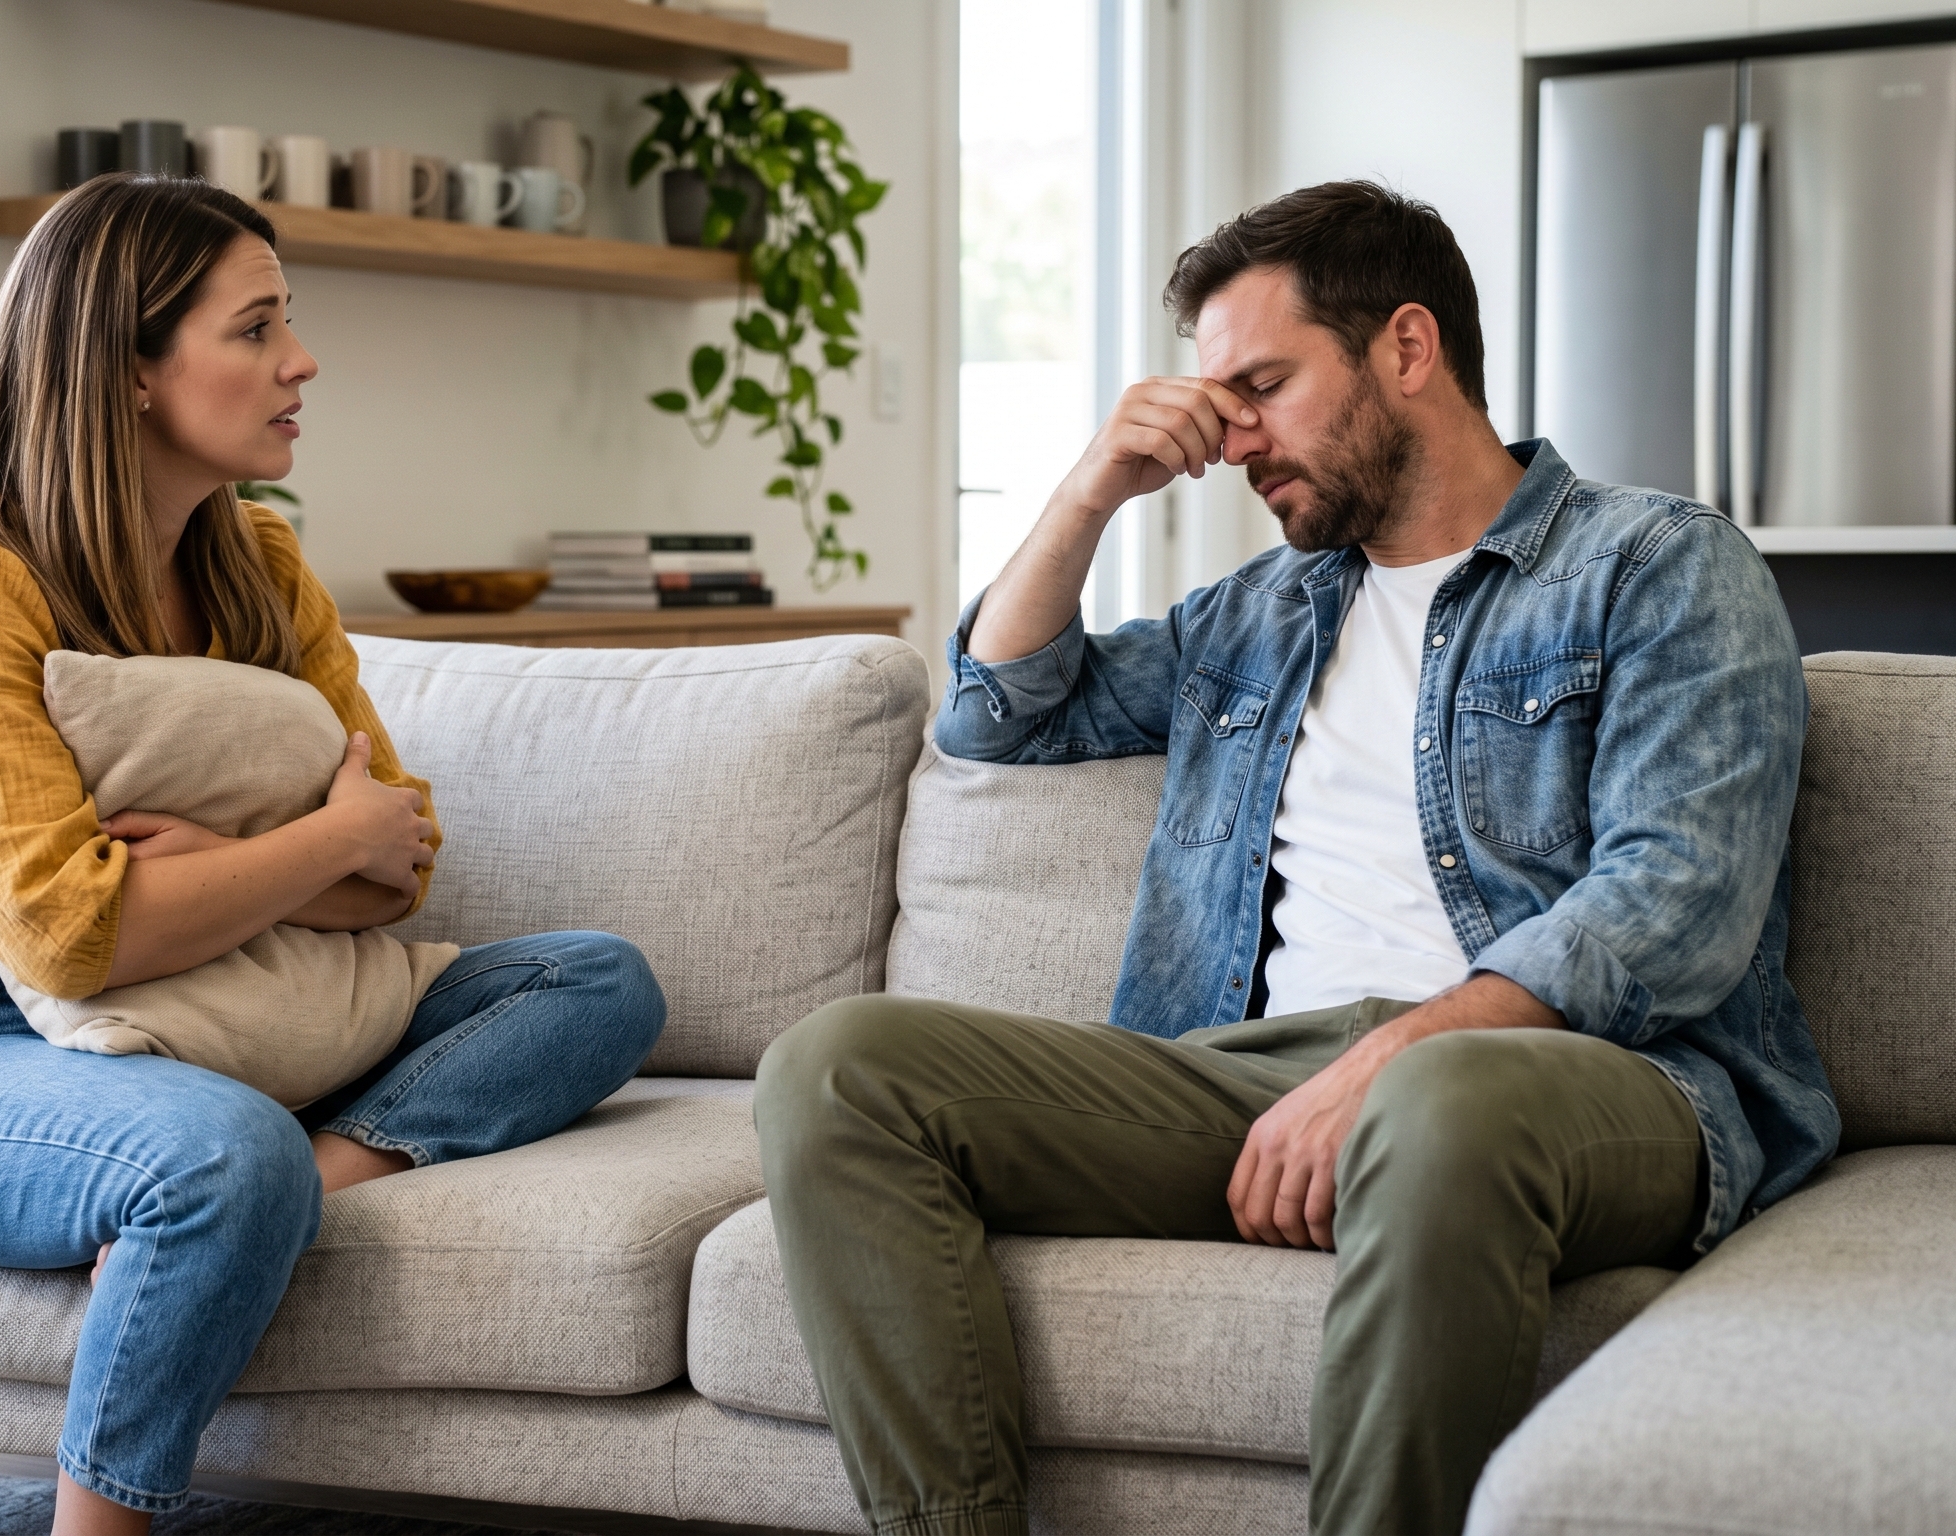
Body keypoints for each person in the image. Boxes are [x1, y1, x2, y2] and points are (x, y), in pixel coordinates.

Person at [754, 181, 1839, 1536]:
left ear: (1405, 348)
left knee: (1444, 1106)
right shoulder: (1255, 615)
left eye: (1262, 384)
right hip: (1255, 1077)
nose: (1232, 440)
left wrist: (1401, 1057)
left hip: (1583, 1085)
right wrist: (1094, 487)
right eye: (1218, 398)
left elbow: (1677, 897)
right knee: (838, 1068)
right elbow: (994, 714)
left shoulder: (1657, 567)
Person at [0, 174, 666, 1534]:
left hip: (243, 991)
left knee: (596, 981)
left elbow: (405, 859)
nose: (301, 359)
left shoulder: (258, 562)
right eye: (257, 327)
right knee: (222, 1159)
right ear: (130, 370)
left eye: (290, 322)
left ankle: (305, 1186)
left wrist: (225, 864)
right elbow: (69, 937)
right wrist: (318, 840)